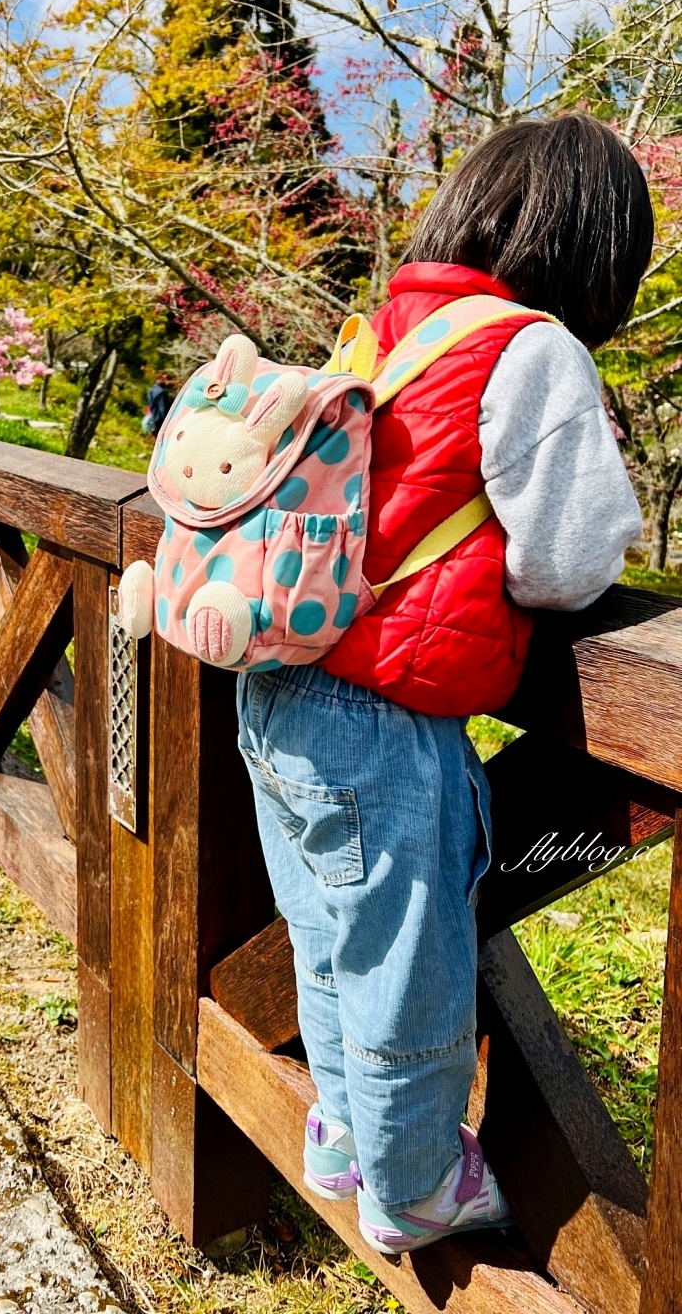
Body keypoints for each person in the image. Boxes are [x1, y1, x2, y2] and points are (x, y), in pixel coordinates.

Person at [236, 114, 651, 1254]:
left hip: (277, 688)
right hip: (382, 714)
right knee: (407, 965)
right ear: (594, 248)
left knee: (325, 933)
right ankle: (412, 1185)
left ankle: (345, 1133)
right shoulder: (530, 348)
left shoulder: (376, 331)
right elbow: (566, 561)